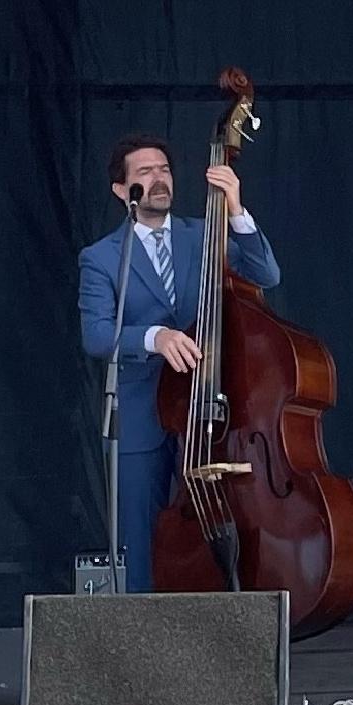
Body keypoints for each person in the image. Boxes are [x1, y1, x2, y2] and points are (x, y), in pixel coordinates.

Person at [78, 135, 281, 593]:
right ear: (121, 189)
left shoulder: (202, 235)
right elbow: (96, 335)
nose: (158, 179)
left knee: (218, 526)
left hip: (209, 412)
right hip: (140, 415)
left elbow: (266, 275)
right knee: (142, 539)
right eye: (144, 173)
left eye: (164, 169)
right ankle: (143, 644)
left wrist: (235, 210)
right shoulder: (103, 257)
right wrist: (155, 337)